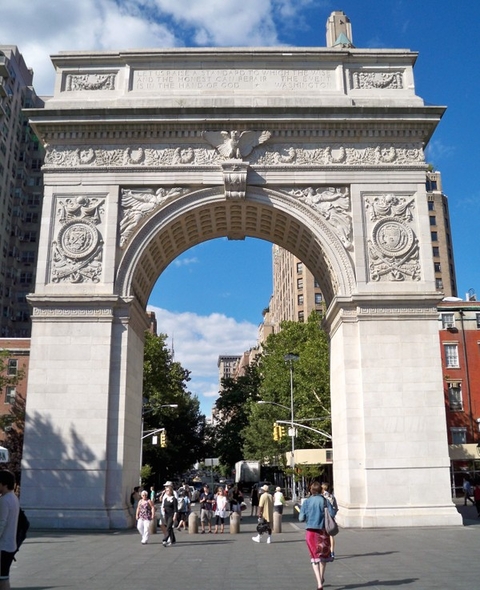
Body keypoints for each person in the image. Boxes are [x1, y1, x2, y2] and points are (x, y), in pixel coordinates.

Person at [299, 481, 337, 590]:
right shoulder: (325, 501)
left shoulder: (307, 502)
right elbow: (332, 514)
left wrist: (308, 516)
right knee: (323, 556)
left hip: (311, 532)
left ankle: (319, 583)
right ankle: (321, 577)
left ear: (311, 490)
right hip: (323, 532)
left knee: (314, 557)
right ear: (321, 490)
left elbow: (301, 518)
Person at [0, 470, 20, 590]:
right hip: (10, 544)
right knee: (4, 577)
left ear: (4, 484)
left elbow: (1, 523)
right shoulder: (13, 498)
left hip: (3, 546)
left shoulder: (4, 500)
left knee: (2, 579)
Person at [321, 482, 338, 559]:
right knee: (331, 535)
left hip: (323, 517)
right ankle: (332, 551)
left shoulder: (321, 497)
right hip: (331, 518)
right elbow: (336, 507)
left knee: (323, 535)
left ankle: (324, 550)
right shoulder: (331, 496)